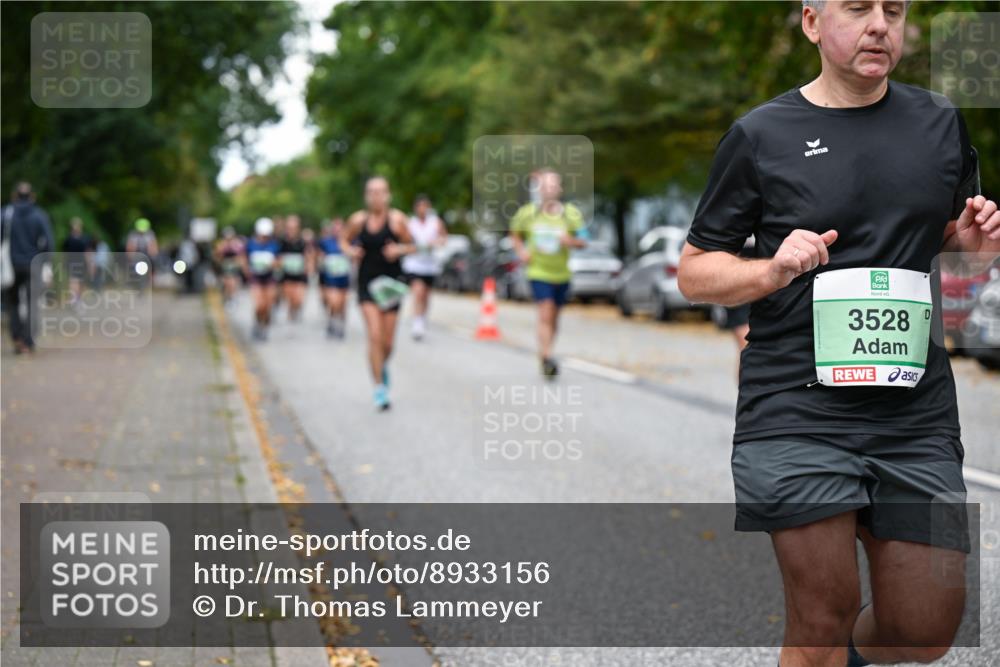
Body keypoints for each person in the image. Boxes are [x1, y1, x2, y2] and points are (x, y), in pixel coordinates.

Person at [677, 2, 998, 666]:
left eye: (895, 9)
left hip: (915, 412)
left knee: (926, 628)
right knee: (821, 616)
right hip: (796, 404)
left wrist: (968, 247)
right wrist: (771, 267)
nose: (880, 24)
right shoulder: (760, 135)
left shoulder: (938, 123)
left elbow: (942, 250)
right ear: (813, 22)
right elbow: (693, 270)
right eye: (857, 7)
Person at [340, 176, 417, 410]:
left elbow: (412, 245)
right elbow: (343, 240)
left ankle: (380, 367)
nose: (376, 196)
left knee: (387, 343)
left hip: (391, 286)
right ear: (366, 196)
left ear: (388, 195)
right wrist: (351, 252)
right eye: (371, 191)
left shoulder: (397, 220)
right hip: (367, 285)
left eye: (380, 191)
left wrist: (399, 249)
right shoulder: (358, 220)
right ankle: (379, 389)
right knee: (374, 335)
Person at [510, 169, 587, 378]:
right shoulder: (528, 213)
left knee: (554, 317)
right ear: (540, 189)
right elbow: (515, 234)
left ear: (559, 189)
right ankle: (547, 356)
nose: (549, 189)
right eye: (545, 186)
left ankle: (546, 351)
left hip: (561, 274)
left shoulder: (570, 213)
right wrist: (521, 252)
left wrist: (569, 241)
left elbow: (583, 240)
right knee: (546, 310)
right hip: (538, 271)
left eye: (553, 185)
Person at [1, 182, 53, 353]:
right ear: (32, 196)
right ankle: (28, 341)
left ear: (14, 195)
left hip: (11, 265)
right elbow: (48, 243)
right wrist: (47, 264)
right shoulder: (39, 215)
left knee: (13, 302)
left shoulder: (6, 215)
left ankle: (16, 337)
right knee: (33, 303)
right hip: (34, 265)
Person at [402, 194, 447, 340]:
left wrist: (436, 242)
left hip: (430, 265)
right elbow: (406, 242)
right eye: (419, 206)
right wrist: (414, 247)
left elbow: (444, 238)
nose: (422, 209)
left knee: (426, 296)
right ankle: (417, 322)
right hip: (414, 264)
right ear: (415, 208)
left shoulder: (435, 222)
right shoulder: (410, 223)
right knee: (418, 292)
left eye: (425, 206)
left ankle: (422, 317)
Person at [242, 217, 279, 341]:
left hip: (269, 279)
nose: (264, 238)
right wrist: (246, 269)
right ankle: (258, 322)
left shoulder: (274, 245)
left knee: (268, 305)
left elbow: (279, 260)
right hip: (256, 278)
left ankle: (264, 327)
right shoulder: (250, 244)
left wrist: (274, 264)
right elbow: (243, 258)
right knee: (259, 305)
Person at [316, 218, 350, 339]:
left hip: (344, 278)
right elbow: (318, 255)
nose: (338, 231)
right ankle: (331, 320)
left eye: (340, 229)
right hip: (330, 278)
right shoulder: (325, 242)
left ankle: (340, 324)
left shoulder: (348, 242)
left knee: (342, 304)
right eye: (335, 229)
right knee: (334, 302)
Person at [278, 214, 310, 322]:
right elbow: (278, 256)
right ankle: (291, 309)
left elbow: (308, 255)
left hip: (300, 274)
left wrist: (308, 267)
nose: (291, 230)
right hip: (287, 274)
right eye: (289, 227)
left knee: (298, 299)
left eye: (294, 227)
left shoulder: (303, 241)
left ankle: (296, 308)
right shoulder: (282, 241)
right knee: (290, 298)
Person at [60, 217, 93, 309]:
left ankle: (78, 299)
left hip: (81, 263)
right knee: (73, 281)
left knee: (80, 282)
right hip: (72, 262)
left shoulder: (85, 239)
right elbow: (64, 253)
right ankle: (74, 299)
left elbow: (88, 252)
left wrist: (90, 264)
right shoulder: (68, 239)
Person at [214, 226, 245, 304]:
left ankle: (232, 298)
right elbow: (217, 256)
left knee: (233, 283)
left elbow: (241, 256)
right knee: (226, 283)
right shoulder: (221, 244)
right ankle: (227, 297)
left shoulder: (237, 244)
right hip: (224, 268)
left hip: (234, 268)